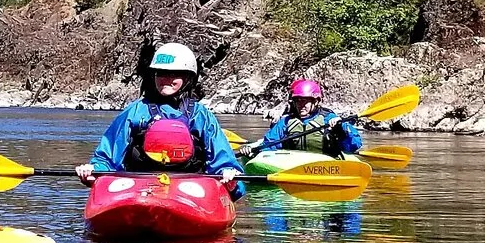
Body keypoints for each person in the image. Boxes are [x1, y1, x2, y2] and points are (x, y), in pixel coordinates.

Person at [76, 41, 245, 193]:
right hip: (139, 187)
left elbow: (224, 162)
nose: (166, 79)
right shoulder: (135, 112)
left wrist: (229, 176)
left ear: (188, 78)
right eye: (161, 73)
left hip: (191, 187)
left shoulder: (201, 116)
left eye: (174, 74)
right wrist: (94, 170)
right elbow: (107, 158)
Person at [255, 77, 362, 158]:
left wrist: (340, 132)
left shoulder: (330, 119)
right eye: (297, 101)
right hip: (293, 165)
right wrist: (256, 151)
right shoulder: (286, 122)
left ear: (316, 102)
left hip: (325, 165)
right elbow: (269, 145)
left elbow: (355, 145)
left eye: (304, 101)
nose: (300, 105)